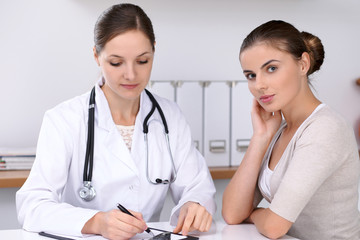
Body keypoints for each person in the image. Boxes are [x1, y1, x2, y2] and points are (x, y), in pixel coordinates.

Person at [16, 3, 216, 240]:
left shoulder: (170, 117)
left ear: (154, 51)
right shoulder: (64, 120)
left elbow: (198, 187)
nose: (131, 74)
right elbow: (32, 205)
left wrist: (193, 205)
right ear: (96, 56)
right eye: (116, 62)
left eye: (142, 61)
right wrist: (96, 222)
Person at [222, 20, 360, 239]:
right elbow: (232, 213)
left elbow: (274, 227)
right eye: (251, 75)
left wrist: (256, 213)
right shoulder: (280, 130)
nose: (259, 85)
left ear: (303, 64)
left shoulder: (325, 129)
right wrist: (261, 137)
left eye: (272, 68)